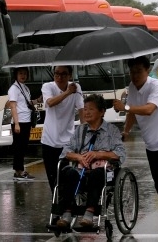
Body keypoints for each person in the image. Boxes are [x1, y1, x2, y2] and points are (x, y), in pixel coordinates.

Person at [113, 56, 158, 231]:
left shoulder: (156, 86)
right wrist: (126, 131)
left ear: (147, 71)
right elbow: (131, 114)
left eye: (138, 71)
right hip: (151, 142)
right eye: (132, 71)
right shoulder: (131, 87)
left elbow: (149, 109)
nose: (134, 75)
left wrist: (125, 107)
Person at [56, 94, 125, 228]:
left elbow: (120, 154)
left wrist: (99, 154)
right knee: (68, 173)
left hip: (104, 170)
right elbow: (66, 152)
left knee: (96, 174)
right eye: (85, 109)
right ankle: (67, 212)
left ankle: (90, 212)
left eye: (91, 109)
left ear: (102, 112)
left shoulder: (112, 131)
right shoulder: (80, 130)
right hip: (82, 168)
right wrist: (79, 157)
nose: (86, 112)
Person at [41, 66, 84, 193]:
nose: (59, 77)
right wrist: (67, 92)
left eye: (63, 74)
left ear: (70, 75)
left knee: (67, 175)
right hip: (49, 141)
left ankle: (67, 205)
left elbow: (82, 109)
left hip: (67, 141)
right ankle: (57, 207)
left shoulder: (76, 88)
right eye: (56, 74)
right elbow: (50, 103)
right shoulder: (48, 87)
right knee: (53, 179)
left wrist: (85, 131)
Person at [8, 67, 42, 180]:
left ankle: (20, 170)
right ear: (16, 75)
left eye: (25, 73)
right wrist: (16, 124)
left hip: (27, 120)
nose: (23, 76)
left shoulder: (25, 88)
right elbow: (13, 106)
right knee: (19, 147)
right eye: (20, 73)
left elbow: (27, 103)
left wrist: (38, 100)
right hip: (20, 121)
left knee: (23, 147)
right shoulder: (14, 89)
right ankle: (19, 171)